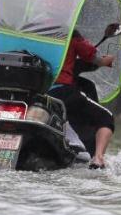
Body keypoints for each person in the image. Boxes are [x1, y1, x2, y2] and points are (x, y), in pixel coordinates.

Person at [48, 30, 115, 169]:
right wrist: (107, 60)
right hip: (61, 91)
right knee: (106, 117)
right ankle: (98, 158)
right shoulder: (68, 34)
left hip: (37, 92)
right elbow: (93, 56)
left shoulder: (36, 33)